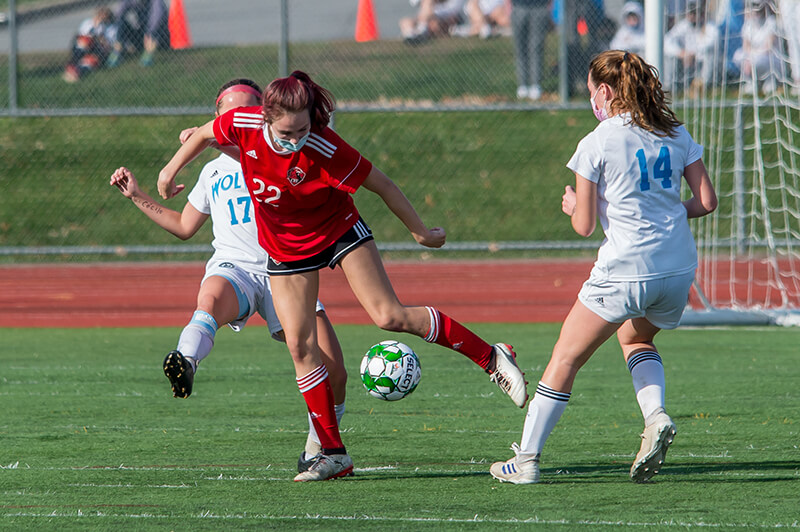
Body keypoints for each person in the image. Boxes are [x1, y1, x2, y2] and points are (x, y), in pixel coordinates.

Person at [156, 70, 529, 482]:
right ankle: (334, 454)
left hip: (337, 229)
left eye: (303, 128)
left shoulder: (324, 145)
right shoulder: (243, 124)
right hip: (285, 248)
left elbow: (383, 185)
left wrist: (420, 231)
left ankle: (491, 357)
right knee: (301, 347)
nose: (297, 138)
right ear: (264, 118)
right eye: (287, 131)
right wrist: (169, 173)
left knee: (389, 315)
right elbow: (204, 133)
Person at [490, 50, 717, 485]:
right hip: (677, 269)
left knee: (565, 358)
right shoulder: (675, 132)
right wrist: (665, 215)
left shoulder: (598, 140)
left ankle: (527, 462)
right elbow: (706, 201)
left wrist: (575, 205)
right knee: (635, 338)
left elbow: (584, 225)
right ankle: (656, 416)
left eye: (593, 91)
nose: (591, 99)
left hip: (626, 269)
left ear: (606, 91)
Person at [109, 79, 348, 475]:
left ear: (266, 117)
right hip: (235, 267)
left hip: (286, 270)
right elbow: (185, 226)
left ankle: (318, 446)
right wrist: (137, 195)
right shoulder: (213, 171)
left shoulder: (287, 154)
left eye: (245, 111)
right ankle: (185, 361)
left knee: (334, 370)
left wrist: (208, 140)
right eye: (226, 114)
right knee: (209, 298)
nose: (235, 120)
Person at [663, 0, 721, 93]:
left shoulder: (710, 26)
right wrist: (681, 53)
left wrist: (693, 54)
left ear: (701, 14)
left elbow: (711, 43)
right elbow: (667, 41)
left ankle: (703, 85)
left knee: (709, 55)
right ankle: (669, 88)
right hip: (685, 60)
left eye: (695, 13)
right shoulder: (683, 25)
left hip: (700, 60)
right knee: (669, 56)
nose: (692, 16)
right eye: (690, 13)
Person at [733, 0, 784, 95]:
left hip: (770, 58)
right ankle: (752, 81)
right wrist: (749, 58)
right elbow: (746, 45)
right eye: (753, 5)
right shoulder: (749, 24)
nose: (756, 9)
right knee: (738, 56)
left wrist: (752, 57)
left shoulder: (771, 22)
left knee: (758, 60)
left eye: (758, 6)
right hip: (754, 56)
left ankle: (771, 79)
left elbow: (769, 47)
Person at [106, 0, 169, 67]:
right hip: (142, 32)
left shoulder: (156, 2)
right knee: (122, 24)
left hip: (160, 34)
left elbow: (156, 19)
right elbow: (119, 13)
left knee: (155, 30)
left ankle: (148, 55)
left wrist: (149, 33)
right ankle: (116, 52)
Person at [510, 0, 552, 101]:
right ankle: (522, 84)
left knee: (536, 47)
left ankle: (535, 84)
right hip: (519, 6)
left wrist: (549, 6)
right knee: (520, 48)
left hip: (540, 7)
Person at [62, 7, 117, 83]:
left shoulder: (111, 28)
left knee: (90, 61)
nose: (100, 19)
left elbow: (109, 45)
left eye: (104, 17)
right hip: (84, 47)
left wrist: (100, 36)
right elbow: (80, 36)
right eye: (99, 16)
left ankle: (78, 71)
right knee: (84, 41)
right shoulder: (88, 23)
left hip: (99, 50)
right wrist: (94, 26)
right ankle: (72, 66)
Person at [399, 0, 466, 44]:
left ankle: (421, 32)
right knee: (405, 22)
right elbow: (414, 2)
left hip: (445, 20)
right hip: (425, 18)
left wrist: (432, 14)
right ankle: (412, 36)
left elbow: (453, 10)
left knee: (434, 24)